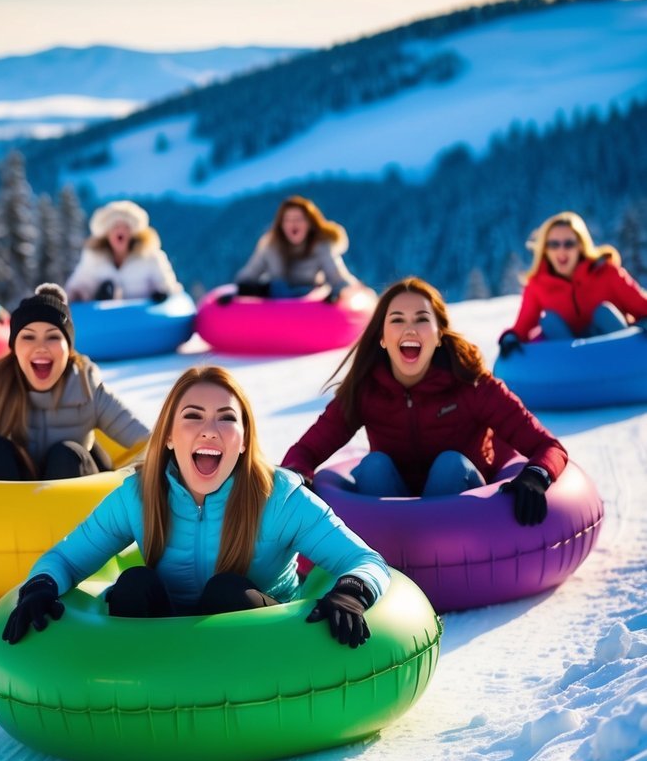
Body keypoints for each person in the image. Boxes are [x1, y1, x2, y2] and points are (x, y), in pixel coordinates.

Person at [1, 364, 391, 650]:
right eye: (193, 417)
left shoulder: (279, 497)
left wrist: (351, 592)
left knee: (227, 592)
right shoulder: (140, 495)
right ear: (169, 436)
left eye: (226, 418)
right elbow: (66, 558)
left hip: (262, 644)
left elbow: (365, 561)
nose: (209, 430)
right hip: (160, 639)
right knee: (134, 585)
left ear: (242, 440)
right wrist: (42, 585)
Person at [282, 277, 567, 526]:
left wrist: (536, 475)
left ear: (439, 334)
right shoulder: (366, 391)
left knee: (450, 465)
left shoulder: (473, 385)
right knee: (373, 467)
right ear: (382, 337)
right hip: (392, 510)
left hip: (465, 511)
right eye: (397, 319)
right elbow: (306, 450)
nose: (410, 329)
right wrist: (299, 476)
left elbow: (548, 446)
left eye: (421, 319)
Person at [0, 283, 150, 496]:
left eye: (53, 337)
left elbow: (150, 442)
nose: (41, 347)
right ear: (14, 348)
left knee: (66, 455)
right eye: (29, 337)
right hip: (14, 505)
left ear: (69, 348)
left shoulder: (88, 389)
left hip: (78, 505)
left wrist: (138, 479)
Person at [498, 210, 647, 357]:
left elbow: (642, 306)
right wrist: (510, 339)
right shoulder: (537, 286)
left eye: (569, 244)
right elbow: (521, 328)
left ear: (580, 246)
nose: (561, 250)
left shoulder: (607, 273)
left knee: (604, 313)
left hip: (619, 355)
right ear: (545, 250)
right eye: (554, 244)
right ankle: (575, 368)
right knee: (549, 320)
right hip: (571, 364)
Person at [221, 195, 360, 304]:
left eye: (299, 219)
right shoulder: (271, 246)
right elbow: (249, 275)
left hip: (308, 299)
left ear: (309, 224)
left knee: (303, 291)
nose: (293, 224)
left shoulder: (320, 247)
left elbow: (338, 278)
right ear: (281, 225)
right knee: (276, 287)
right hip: (278, 298)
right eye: (288, 219)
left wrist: (337, 295)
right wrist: (238, 292)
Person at [65, 200, 181, 303]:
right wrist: (77, 295)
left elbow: (167, 284)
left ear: (133, 233)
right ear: (106, 233)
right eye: (115, 227)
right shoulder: (94, 258)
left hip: (143, 322)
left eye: (126, 227)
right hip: (107, 323)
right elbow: (79, 285)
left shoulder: (150, 256)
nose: (120, 231)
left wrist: (162, 294)